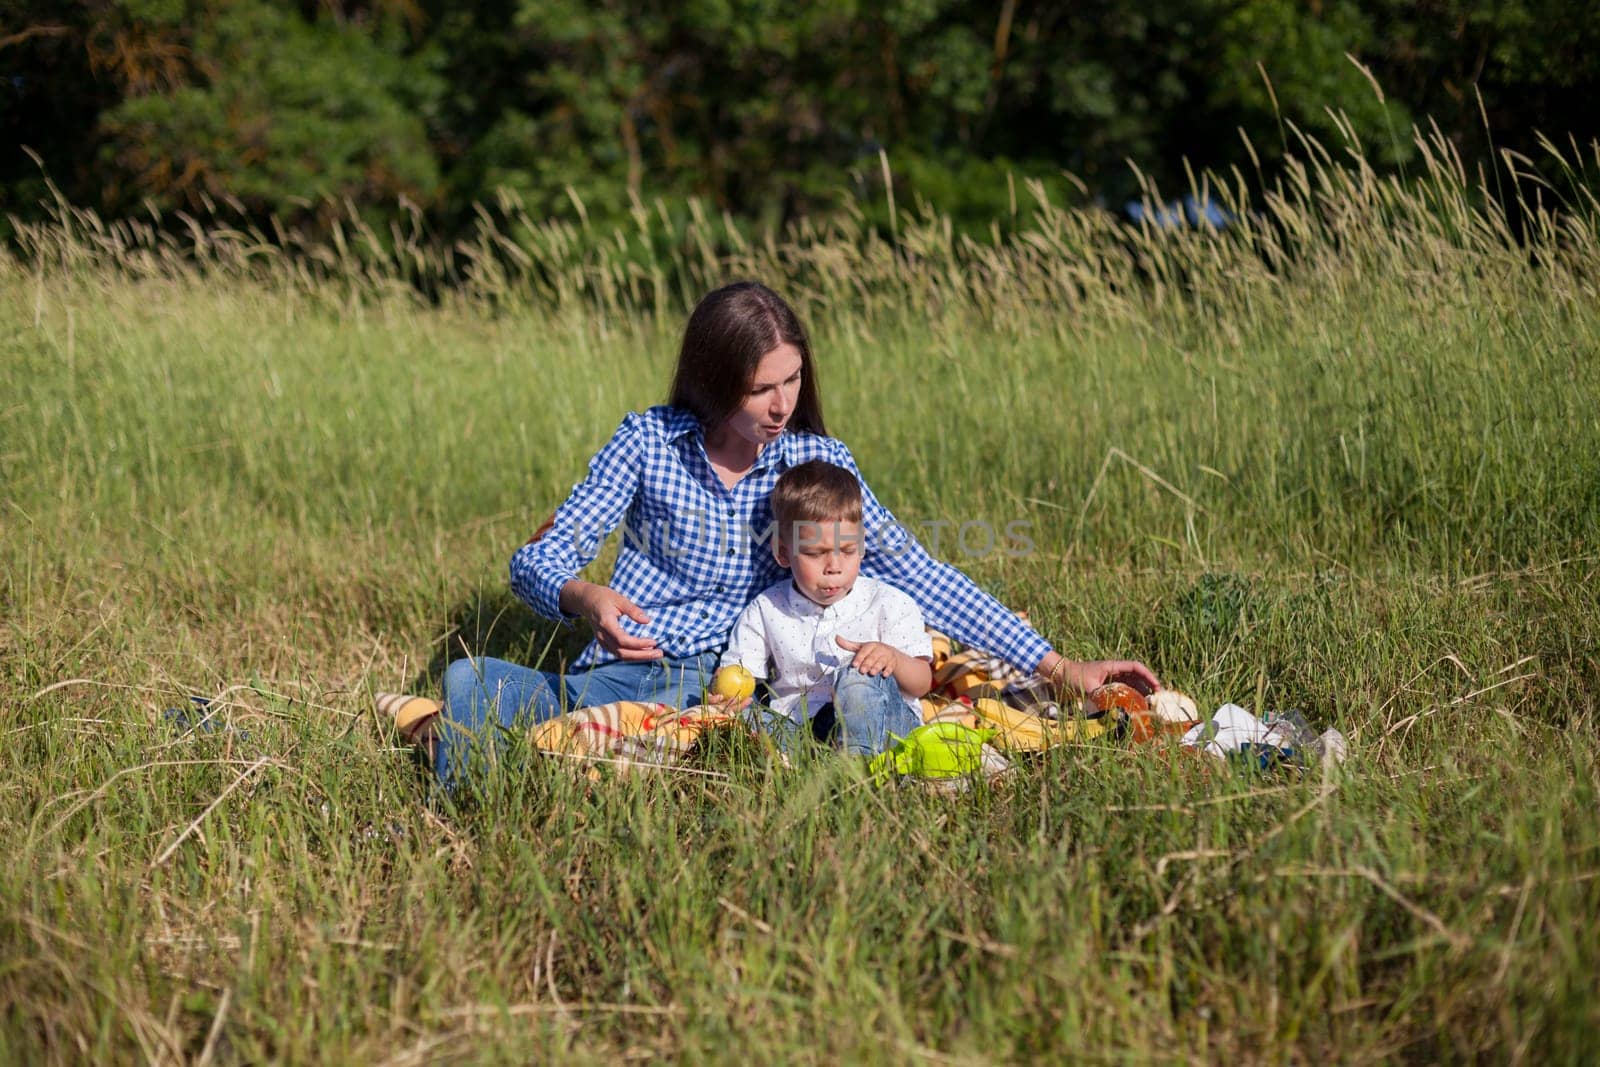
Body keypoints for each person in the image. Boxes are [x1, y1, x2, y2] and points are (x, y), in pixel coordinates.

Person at [390, 281, 1159, 789]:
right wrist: (585, 594)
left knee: (785, 732)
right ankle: (480, 765)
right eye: (762, 387)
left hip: (755, 680)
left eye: (792, 379)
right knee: (483, 685)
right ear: (714, 377)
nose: (782, 402)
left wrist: (1058, 665)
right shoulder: (647, 442)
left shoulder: (814, 461)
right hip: (640, 667)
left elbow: (916, 570)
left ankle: (479, 761)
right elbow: (537, 559)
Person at [714, 459, 932, 757]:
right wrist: (727, 695)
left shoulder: (888, 602)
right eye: (816, 554)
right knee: (738, 720)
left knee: (859, 677)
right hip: (798, 727)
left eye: (847, 551)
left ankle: (857, 767)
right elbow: (739, 671)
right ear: (782, 552)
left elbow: (922, 682)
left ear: (863, 544)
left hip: (884, 724)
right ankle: (813, 760)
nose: (834, 567)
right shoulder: (767, 608)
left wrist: (892, 657)